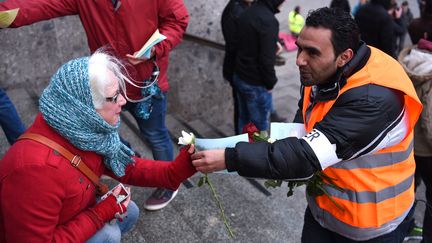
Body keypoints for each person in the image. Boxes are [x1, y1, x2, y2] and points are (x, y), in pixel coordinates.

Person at [192, 7, 422, 242]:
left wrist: (229, 158)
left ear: (345, 56)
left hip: (370, 226)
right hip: (324, 212)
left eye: (312, 52)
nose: (299, 60)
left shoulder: (373, 98)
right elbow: (306, 118)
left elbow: (305, 156)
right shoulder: (324, 69)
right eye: (300, 47)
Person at [0, 0, 188, 210]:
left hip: (146, 83)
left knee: (155, 134)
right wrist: (3, 14)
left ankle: (169, 184)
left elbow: (178, 21)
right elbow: (41, 4)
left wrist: (153, 50)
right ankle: (129, 159)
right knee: (101, 129)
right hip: (109, 83)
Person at [0, 51, 197, 242]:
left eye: (121, 91)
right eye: (114, 96)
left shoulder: (83, 130)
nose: (123, 100)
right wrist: (99, 214)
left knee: (129, 212)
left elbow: (126, 166)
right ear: (83, 108)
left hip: (67, 214)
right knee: (108, 235)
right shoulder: (34, 172)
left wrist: (173, 172)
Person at [232, 0, 285, 134]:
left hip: (240, 75)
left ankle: (240, 151)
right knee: (259, 128)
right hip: (256, 83)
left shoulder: (247, 12)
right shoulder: (268, 20)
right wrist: (270, 83)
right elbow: (266, 60)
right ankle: (254, 154)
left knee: (243, 120)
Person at [399, 34, 432, 243]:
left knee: (406, 189)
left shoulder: (404, 62)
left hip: (405, 141)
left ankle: (403, 228)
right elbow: (429, 122)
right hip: (427, 150)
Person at [221, 0, 255, 135]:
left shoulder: (246, 7)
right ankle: (241, 139)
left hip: (244, 69)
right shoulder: (234, 10)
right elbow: (234, 44)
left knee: (245, 109)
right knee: (242, 110)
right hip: (238, 70)